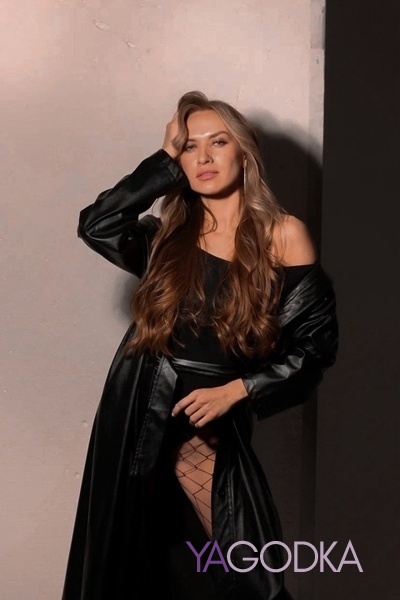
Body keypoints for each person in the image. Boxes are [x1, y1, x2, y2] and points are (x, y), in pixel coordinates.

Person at [61, 91, 338, 600]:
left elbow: (314, 347)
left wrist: (240, 390)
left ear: (244, 153)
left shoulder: (282, 234)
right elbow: (96, 224)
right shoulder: (167, 236)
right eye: (189, 147)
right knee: (139, 561)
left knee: (249, 572)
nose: (204, 157)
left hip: (210, 412)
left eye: (219, 142)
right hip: (138, 404)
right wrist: (163, 161)